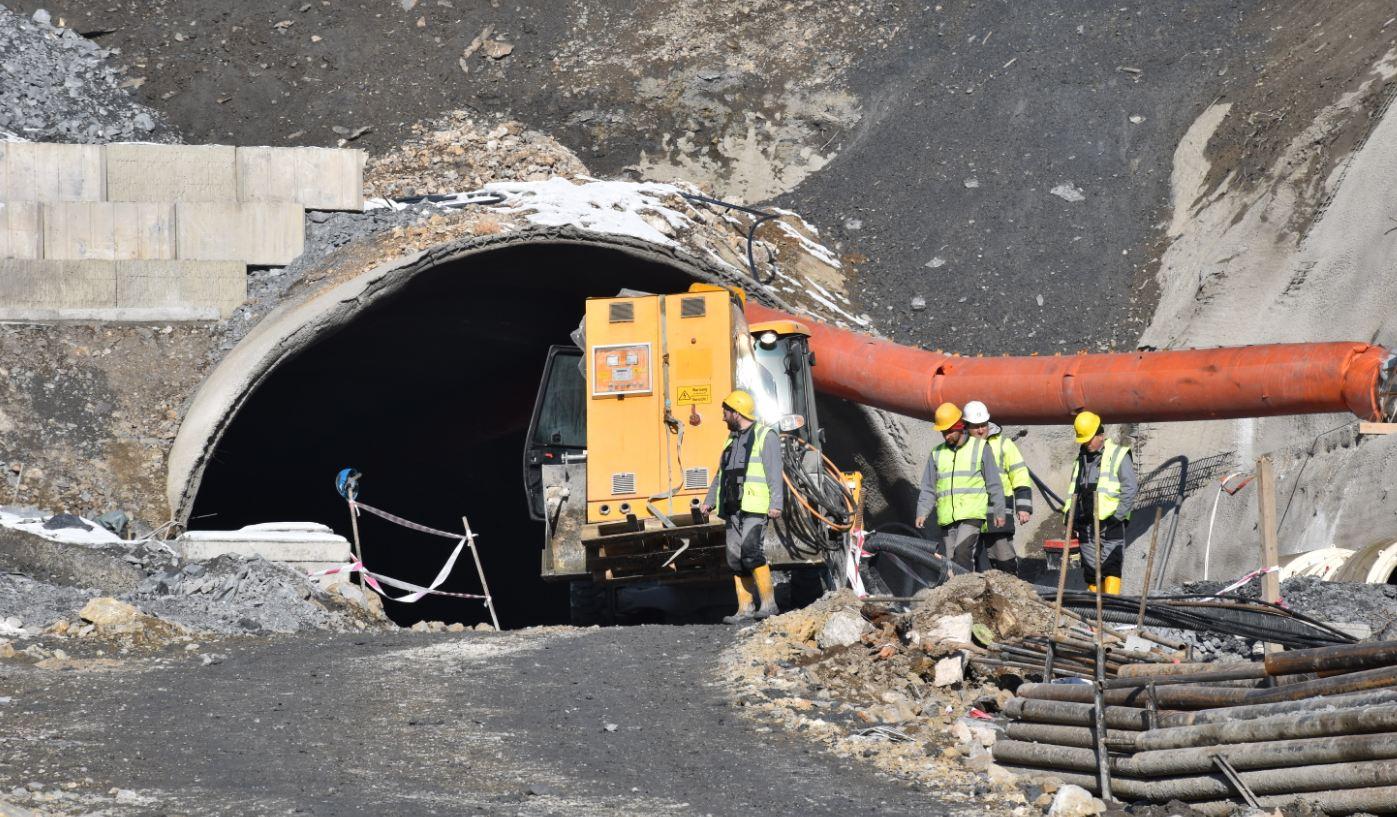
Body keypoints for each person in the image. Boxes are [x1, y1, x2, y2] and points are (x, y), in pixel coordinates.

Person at [702, 389, 784, 623]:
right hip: (732, 506)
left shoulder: (764, 435)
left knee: (751, 552)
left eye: (726, 412)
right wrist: (709, 501)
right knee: (734, 557)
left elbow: (774, 472)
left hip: (754, 507)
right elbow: (721, 474)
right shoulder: (731, 439)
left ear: (737, 412)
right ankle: (745, 608)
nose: (723, 416)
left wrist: (776, 503)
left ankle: (769, 605)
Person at [916, 401, 1006, 571]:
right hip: (947, 518)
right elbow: (928, 486)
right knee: (952, 563)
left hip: (972, 514)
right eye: (943, 432)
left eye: (949, 432)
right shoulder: (937, 453)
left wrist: (999, 511)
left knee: (962, 553)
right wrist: (922, 511)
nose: (946, 436)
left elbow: (994, 482)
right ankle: (965, 594)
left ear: (959, 426)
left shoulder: (980, 447)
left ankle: (966, 594)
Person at [1065, 410, 1137, 595]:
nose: (1086, 444)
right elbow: (1074, 490)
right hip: (1086, 523)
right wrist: (1069, 516)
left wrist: (1118, 516)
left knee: (1111, 565)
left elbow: (1130, 488)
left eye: (1089, 439)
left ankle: (1110, 611)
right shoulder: (1080, 460)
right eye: (1084, 440)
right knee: (1091, 570)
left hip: (1111, 522)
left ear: (1100, 435)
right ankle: (1096, 616)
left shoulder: (1119, 455)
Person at [963, 401, 1032, 574]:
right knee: (966, 565)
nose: (980, 430)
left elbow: (1020, 475)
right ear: (966, 426)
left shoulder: (1004, 444)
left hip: (997, 513)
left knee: (1004, 562)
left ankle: (1011, 598)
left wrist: (1023, 507)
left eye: (983, 425)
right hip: (970, 514)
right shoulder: (960, 448)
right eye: (975, 426)